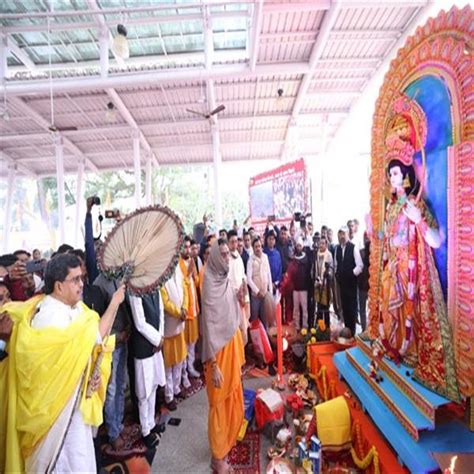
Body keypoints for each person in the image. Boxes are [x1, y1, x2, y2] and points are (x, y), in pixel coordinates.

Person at [1, 253, 125, 472]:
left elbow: (81, 354)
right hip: (55, 418)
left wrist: (89, 376)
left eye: (81, 278)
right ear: (59, 286)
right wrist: (114, 302)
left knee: (81, 462)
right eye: (75, 279)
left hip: (74, 406)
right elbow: (92, 337)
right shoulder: (49, 316)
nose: (81, 284)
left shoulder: (75, 308)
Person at [379, 158, 458, 399]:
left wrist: (418, 220)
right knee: (391, 313)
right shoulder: (391, 208)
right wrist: (374, 232)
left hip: (410, 271)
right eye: (389, 174)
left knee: (409, 312)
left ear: (405, 176)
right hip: (392, 272)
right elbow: (384, 238)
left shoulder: (415, 204)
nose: (391, 178)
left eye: (395, 173)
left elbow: (436, 240)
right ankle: (397, 348)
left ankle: (410, 352)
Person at [201, 240, 245, 473]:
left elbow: (229, 312)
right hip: (217, 355)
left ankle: (226, 441)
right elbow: (208, 326)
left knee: (233, 393)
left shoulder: (223, 277)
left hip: (231, 346)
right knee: (218, 402)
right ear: (216, 257)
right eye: (224, 254)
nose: (228, 257)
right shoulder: (208, 283)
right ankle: (218, 458)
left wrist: (238, 296)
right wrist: (214, 365)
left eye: (229, 253)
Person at [129, 291, 165, 448]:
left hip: (156, 345)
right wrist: (157, 339)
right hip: (144, 347)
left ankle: (151, 423)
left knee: (154, 384)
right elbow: (139, 323)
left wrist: (160, 337)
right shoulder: (134, 290)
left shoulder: (153, 286)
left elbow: (161, 312)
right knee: (144, 390)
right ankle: (145, 430)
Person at [160, 264, 189, 411]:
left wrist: (185, 308)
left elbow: (184, 289)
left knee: (179, 360)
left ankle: (177, 389)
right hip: (169, 327)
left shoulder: (177, 268)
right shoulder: (161, 273)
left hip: (180, 325)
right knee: (168, 365)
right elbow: (165, 302)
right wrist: (179, 313)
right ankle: (169, 395)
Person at [179, 236, 201, 383]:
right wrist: (188, 273)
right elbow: (181, 285)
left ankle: (191, 367)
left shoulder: (192, 262)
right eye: (185, 247)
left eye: (189, 246)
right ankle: (183, 373)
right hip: (184, 311)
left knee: (193, 341)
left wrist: (193, 273)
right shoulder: (178, 265)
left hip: (194, 308)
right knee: (185, 343)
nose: (187, 249)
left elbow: (197, 282)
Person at [335, 227, 363, 336]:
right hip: (342, 285)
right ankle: (346, 335)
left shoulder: (353, 247)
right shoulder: (337, 248)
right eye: (340, 234)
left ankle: (352, 335)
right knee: (345, 309)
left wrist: (351, 274)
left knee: (352, 310)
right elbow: (337, 264)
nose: (342, 236)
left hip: (351, 284)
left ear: (348, 234)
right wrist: (338, 274)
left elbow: (360, 266)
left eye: (344, 234)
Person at [228, 231, 250, 345]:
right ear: (228, 243)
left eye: (236, 241)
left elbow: (243, 278)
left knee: (243, 328)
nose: (234, 244)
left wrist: (245, 298)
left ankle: (242, 355)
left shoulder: (239, 258)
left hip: (241, 298)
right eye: (232, 242)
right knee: (234, 330)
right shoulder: (225, 259)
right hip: (231, 299)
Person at [246, 237, 272, 328]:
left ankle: (266, 339)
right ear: (253, 248)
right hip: (255, 296)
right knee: (255, 318)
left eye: (259, 246)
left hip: (265, 294)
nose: (258, 248)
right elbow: (248, 279)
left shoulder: (265, 257)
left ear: (262, 247)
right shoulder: (250, 260)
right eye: (256, 247)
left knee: (266, 318)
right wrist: (257, 291)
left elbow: (269, 274)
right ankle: (255, 340)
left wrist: (270, 292)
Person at [287, 238, 311, 330]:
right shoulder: (293, 259)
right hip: (295, 289)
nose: (298, 247)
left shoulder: (306, 258)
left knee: (304, 309)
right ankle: (296, 326)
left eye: (300, 246)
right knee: (296, 309)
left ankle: (305, 326)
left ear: (302, 247)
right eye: (297, 246)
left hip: (304, 288)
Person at [313, 237, 334, 328]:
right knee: (319, 307)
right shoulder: (316, 254)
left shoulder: (329, 255)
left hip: (326, 285)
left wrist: (326, 277)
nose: (321, 245)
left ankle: (327, 328)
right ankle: (320, 328)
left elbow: (331, 269)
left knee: (325, 307)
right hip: (318, 284)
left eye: (323, 243)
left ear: (326, 245)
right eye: (320, 243)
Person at [263, 231, 282, 299]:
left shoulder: (277, 253)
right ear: (267, 240)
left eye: (273, 239)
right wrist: (269, 283)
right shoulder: (263, 253)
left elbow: (280, 269)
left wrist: (276, 283)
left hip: (276, 286)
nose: (271, 241)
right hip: (266, 285)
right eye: (269, 239)